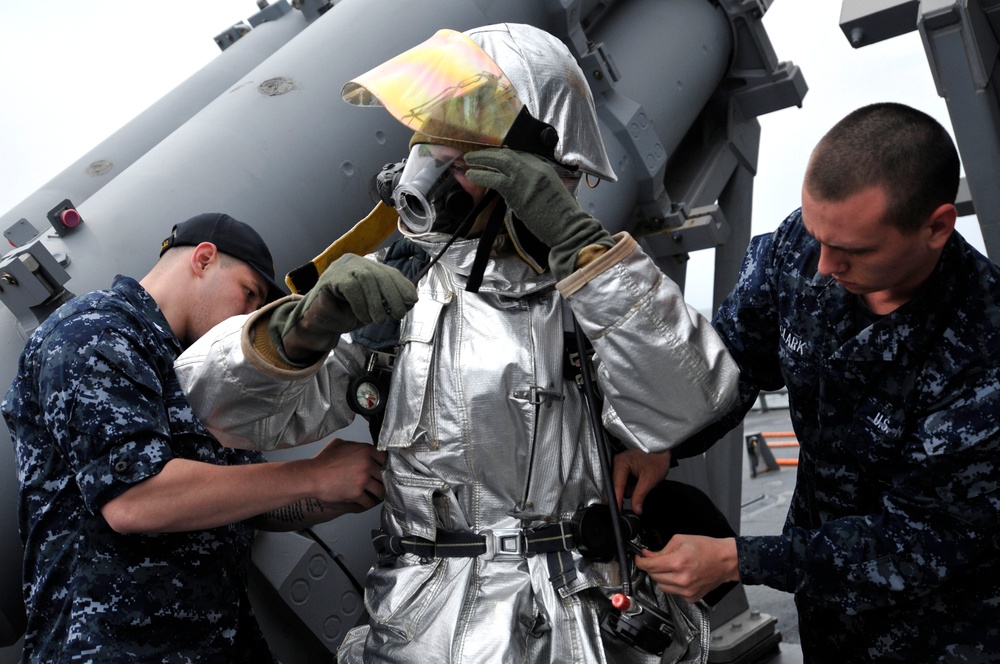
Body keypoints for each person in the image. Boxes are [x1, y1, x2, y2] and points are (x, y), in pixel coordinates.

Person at [175, 25, 738, 664]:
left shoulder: (599, 284)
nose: (438, 159)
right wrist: (300, 329)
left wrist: (581, 247)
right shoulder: (402, 291)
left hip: (578, 628)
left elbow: (689, 401)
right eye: (435, 135)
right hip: (421, 629)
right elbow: (220, 415)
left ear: (531, 156)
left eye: (465, 140)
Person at [636, 103, 1000, 662]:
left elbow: (917, 542)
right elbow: (735, 358)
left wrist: (737, 559)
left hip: (943, 629)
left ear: (936, 227)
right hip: (826, 614)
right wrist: (663, 441)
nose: (825, 265)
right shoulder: (802, 249)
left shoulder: (982, 353)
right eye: (816, 236)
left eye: (853, 250)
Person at [2, 212, 388, 663]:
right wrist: (313, 476)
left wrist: (348, 489)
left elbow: (254, 504)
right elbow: (135, 500)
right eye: (249, 295)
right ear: (204, 259)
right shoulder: (94, 331)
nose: (248, 317)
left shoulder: (192, 371)